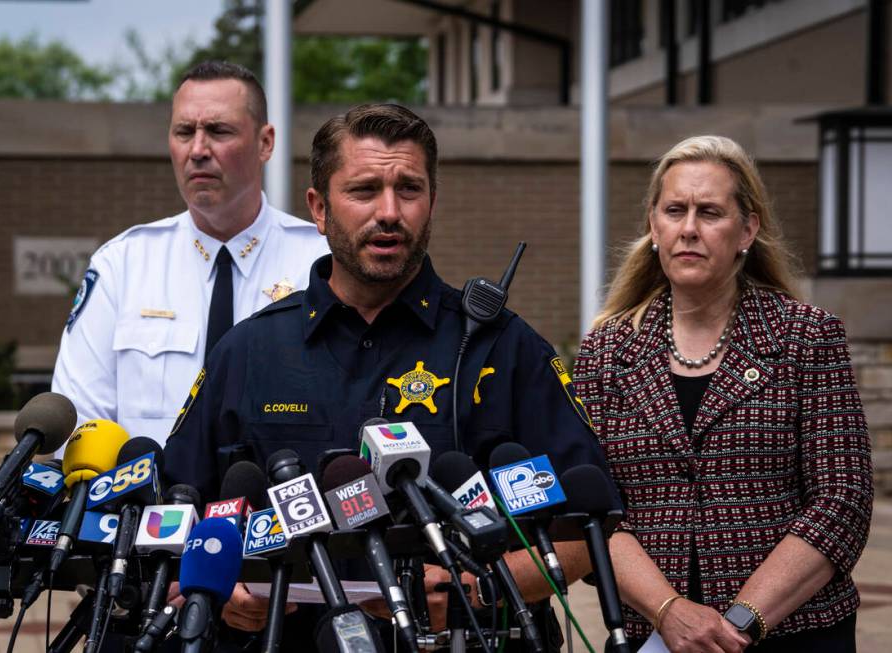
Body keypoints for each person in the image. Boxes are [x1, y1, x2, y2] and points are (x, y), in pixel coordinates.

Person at [164, 103, 615, 650]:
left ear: (432, 203)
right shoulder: (248, 352)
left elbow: (585, 529)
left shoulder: (503, 345)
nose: (389, 212)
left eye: (409, 189)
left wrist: (481, 588)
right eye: (363, 190)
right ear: (319, 208)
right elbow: (171, 515)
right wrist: (217, 586)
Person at [573, 135, 874, 652]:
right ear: (653, 224)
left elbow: (842, 500)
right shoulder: (606, 350)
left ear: (747, 229)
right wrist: (669, 613)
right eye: (675, 210)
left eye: (710, 212)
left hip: (794, 634)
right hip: (653, 637)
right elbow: (591, 511)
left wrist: (737, 623)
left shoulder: (806, 337)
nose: (688, 228)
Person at [52, 60, 329, 444]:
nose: (198, 149)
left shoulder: (321, 262)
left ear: (265, 143)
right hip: (147, 502)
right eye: (184, 131)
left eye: (218, 131)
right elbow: (79, 422)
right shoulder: (123, 265)